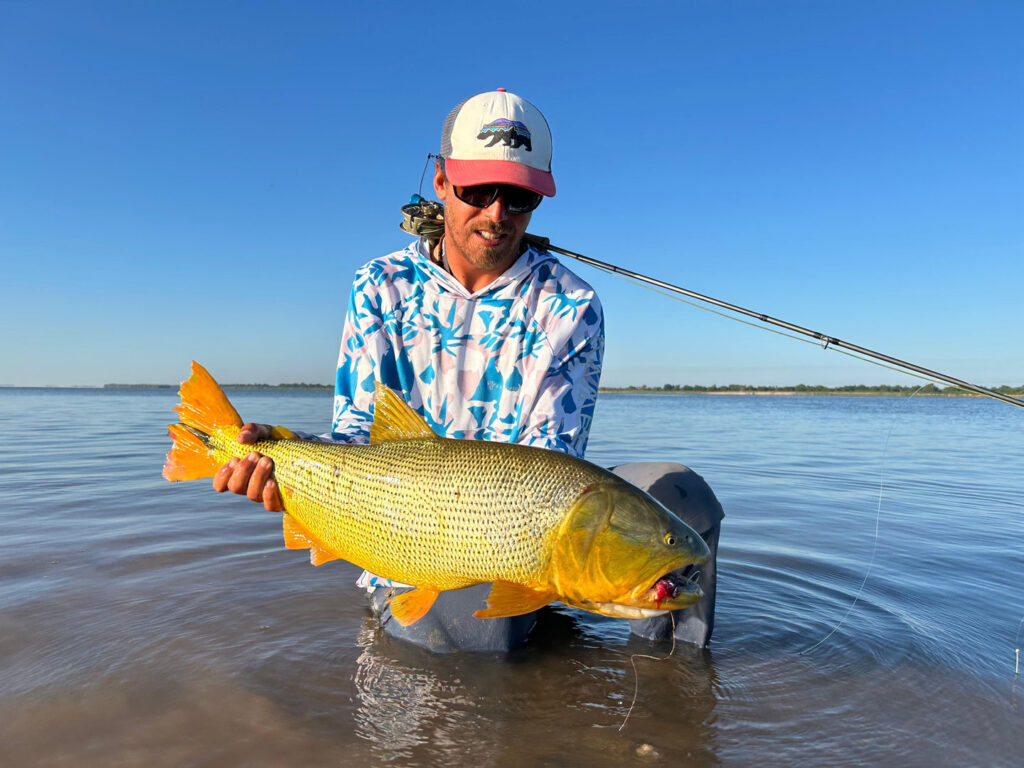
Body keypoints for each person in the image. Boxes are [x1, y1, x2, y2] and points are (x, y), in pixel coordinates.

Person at [212, 89, 722, 652]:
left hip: (526, 529)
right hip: (409, 537)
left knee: (684, 501)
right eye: (477, 190)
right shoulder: (379, 286)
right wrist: (279, 454)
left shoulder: (572, 305)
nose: (497, 214)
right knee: (485, 630)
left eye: (519, 196)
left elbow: (554, 457)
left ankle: (669, 685)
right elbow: (358, 434)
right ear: (440, 182)